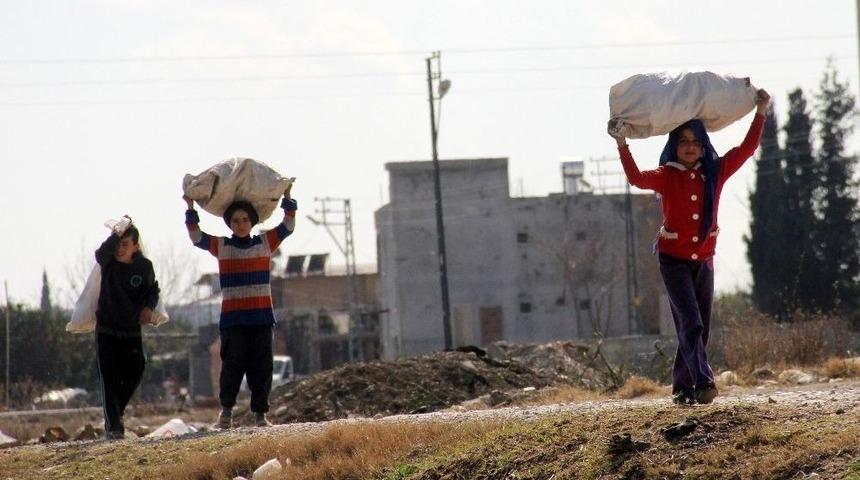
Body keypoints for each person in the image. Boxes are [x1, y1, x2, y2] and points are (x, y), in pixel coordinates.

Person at [609, 88, 771, 405]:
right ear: (673, 145)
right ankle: (704, 382)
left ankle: (682, 389)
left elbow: (748, 148)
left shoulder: (715, 172)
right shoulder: (667, 175)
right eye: (683, 142)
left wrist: (761, 112)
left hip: (704, 261)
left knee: (700, 328)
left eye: (695, 142)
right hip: (674, 261)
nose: (690, 147)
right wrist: (621, 143)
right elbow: (636, 178)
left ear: (703, 145)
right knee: (691, 322)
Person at [183, 189, 296, 428]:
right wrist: (191, 209)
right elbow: (196, 238)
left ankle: (260, 415)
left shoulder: (265, 243)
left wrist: (287, 197)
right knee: (232, 368)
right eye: (236, 221)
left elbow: (287, 226)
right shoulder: (222, 246)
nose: (241, 224)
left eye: (245, 220)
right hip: (233, 321)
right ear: (230, 224)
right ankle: (226, 414)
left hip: (261, 318)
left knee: (262, 368)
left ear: (252, 221)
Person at [94, 218, 160, 439]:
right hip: (107, 329)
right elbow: (100, 254)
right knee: (109, 378)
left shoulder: (143, 267)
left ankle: (116, 413)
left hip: (131, 330)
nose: (120, 249)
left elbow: (153, 289)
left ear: (135, 246)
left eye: (125, 244)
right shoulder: (109, 263)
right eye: (118, 244)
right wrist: (116, 234)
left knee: (137, 367)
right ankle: (113, 427)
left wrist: (149, 308)